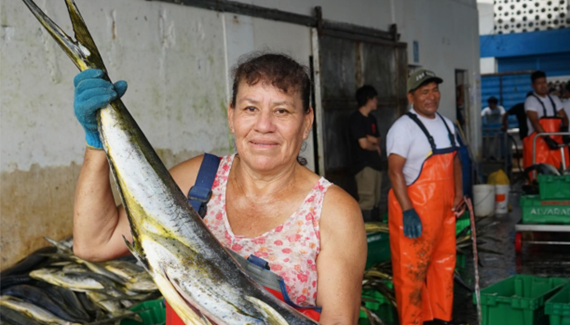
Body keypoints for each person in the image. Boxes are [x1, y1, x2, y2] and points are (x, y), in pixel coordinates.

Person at [71, 53, 367, 324]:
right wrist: (98, 144)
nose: (264, 125)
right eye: (250, 108)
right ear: (231, 116)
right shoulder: (198, 180)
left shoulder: (332, 212)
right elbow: (95, 243)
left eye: (282, 111)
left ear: (306, 123)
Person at [386, 69, 466, 325]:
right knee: (411, 273)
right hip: (415, 211)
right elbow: (394, 171)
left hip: (444, 211)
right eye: (424, 92)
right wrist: (408, 210)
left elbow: (454, 161)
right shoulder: (403, 128)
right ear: (411, 96)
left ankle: (440, 319)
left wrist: (459, 194)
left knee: (444, 266)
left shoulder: (446, 123)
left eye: (434, 90)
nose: (432, 97)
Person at [523, 70, 570, 176]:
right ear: (533, 86)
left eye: (544, 82)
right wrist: (548, 139)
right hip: (539, 144)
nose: (543, 86)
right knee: (539, 174)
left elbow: (565, 117)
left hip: (557, 142)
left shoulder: (554, 99)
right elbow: (535, 122)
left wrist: (565, 131)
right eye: (539, 83)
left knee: (562, 172)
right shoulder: (531, 101)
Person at [348, 85, 383, 221]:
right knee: (367, 199)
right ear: (369, 99)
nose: (377, 102)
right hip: (364, 165)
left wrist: (371, 139)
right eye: (375, 99)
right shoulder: (356, 119)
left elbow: (378, 139)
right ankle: (363, 232)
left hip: (375, 164)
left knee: (376, 199)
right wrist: (373, 144)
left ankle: (375, 229)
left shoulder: (372, 119)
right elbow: (363, 144)